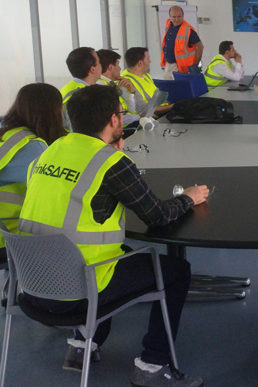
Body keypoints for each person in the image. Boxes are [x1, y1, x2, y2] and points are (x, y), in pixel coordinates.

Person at [18, 84, 208, 386]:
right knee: (176, 271)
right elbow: (158, 216)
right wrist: (188, 197)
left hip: (32, 285)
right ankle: (152, 366)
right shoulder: (111, 163)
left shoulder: (49, 150)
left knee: (114, 256)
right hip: (77, 293)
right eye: (121, 113)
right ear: (114, 120)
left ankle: (82, 346)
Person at [0, 83, 66, 249]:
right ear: (52, 112)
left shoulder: (8, 134)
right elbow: (52, 196)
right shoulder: (33, 147)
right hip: (11, 237)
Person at [122, 47, 173, 117]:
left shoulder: (146, 75)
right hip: (148, 117)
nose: (150, 62)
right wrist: (171, 107)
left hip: (162, 110)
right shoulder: (126, 83)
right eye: (148, 59)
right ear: (140, 63)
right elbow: (144, 109)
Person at [97, 48, 139, 127]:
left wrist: (131, 91)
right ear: (110, 67)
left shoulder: (115, 83)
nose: (120, 68)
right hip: (120, 129)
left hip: (126, 125)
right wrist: (139, 117)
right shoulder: (100, 87)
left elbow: (131, 109)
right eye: (118, 64)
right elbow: (112, 119)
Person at [161, 6, 203, 79]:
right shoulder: (169, 25)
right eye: (174, 17)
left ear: (183, 16)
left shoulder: (188, 30)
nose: (177, 19)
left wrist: (195, 64)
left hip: (180, 68)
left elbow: (200, 46)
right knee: (166, 84)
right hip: (168, 64)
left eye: (179, 16)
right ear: (170, 17)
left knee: (177, 85)